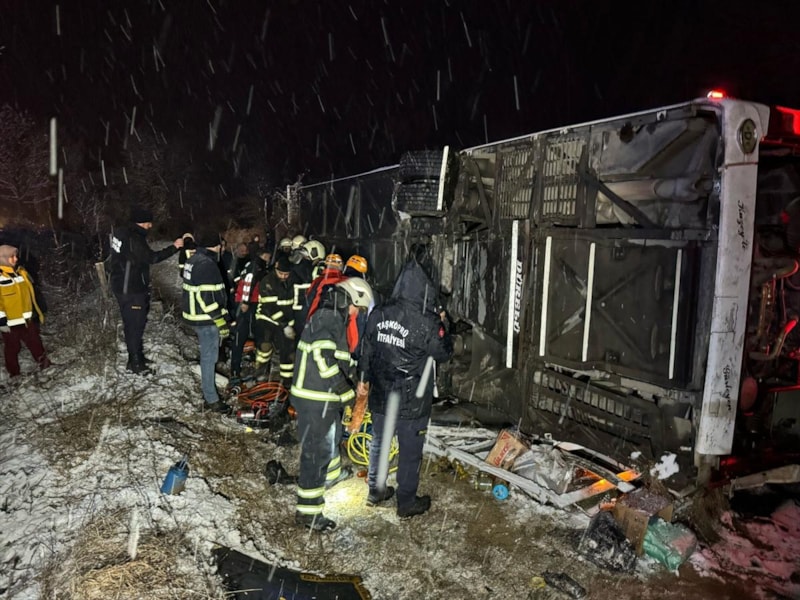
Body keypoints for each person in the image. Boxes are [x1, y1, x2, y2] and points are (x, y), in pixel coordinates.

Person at [357, 256, 453, 519]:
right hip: (412, 401)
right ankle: (406, 502)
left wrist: (363, 379)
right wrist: (443, 324)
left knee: (380, 442)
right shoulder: (427, 322)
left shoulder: (379, 313)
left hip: (381, 395)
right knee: (410, 452)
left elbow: (366, 351)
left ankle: (376, 490)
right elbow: (443, 353)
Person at [292, 277, 374, 531]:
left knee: (329, 442)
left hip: (321, 397)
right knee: (316, 453)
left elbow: (337, 358)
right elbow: (321, 356)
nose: (356, 314)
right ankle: (309, 513)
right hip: (315, 397)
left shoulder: (332, 316)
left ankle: (329, 478)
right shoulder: (329, 318)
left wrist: (354, 379)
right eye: (358, 308)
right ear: (353, 299)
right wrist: (345, 391)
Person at [108, 206, 183, 373]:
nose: (151, 226)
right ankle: (136, 364)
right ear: (141, 222)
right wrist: (174, 247)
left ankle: (136, 357)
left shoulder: (121, 233)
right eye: (149, 223)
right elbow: (152, 258)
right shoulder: (134, 239)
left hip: (122, 285)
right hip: (132, 288)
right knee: (135, 325)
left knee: (131, 324)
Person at [181, 228, 231, 413]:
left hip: (197, 316)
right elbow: (207, 299)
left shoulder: (193, 260)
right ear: (217, 246)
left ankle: (209, 391)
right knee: (209, 358)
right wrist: (220, 321)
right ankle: (211, 399)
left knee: (208, 356)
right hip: (206, 318)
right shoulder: (207, 265)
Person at [0, 244, 50, 377]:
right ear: (3, 258)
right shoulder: (1, 277)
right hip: (10, 322)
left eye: (15, 256)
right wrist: (1, 321)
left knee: (35, 342)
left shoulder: (21, 272)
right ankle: (14, 373)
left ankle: (45, 364)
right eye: (12, 257)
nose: (16, 259)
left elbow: (30, 294)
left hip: (27, 319)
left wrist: (37, 310)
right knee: (12, 348)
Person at [253, 255, 297, 387]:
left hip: (286, 321)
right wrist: (285, 325)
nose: (283, 276)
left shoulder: (292, 280)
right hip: (266, 320)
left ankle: (286, 381)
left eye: (286, 274)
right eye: (281, 273)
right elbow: (269, 308)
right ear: (276, 270)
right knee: (265, 348)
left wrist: (290, 324)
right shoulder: (268, 281)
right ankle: (260, 373)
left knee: (288, 352)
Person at [229, 245, 271, 382]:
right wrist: (245, 301)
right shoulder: (256, 266)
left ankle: (245, 364)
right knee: (241, 333)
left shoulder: (255, 264)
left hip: (250, 301)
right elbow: (248, 283)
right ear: (264, 255)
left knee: (248, 331)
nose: (269, 259)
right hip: (247, 303)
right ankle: (235, 370)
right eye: (268, 256)